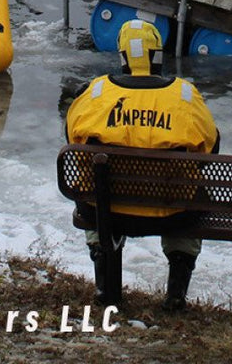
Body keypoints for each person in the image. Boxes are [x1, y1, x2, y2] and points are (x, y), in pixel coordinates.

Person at [64, 20, 219, 312]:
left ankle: (105, 285)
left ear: (122, 56)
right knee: (192, 191)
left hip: (108, 212)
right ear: (158, 54)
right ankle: (175, 292)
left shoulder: (96, 93)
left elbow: (72, 137)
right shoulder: (185, 95)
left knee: (93, 191)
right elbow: (210, 148)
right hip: (173, 214)